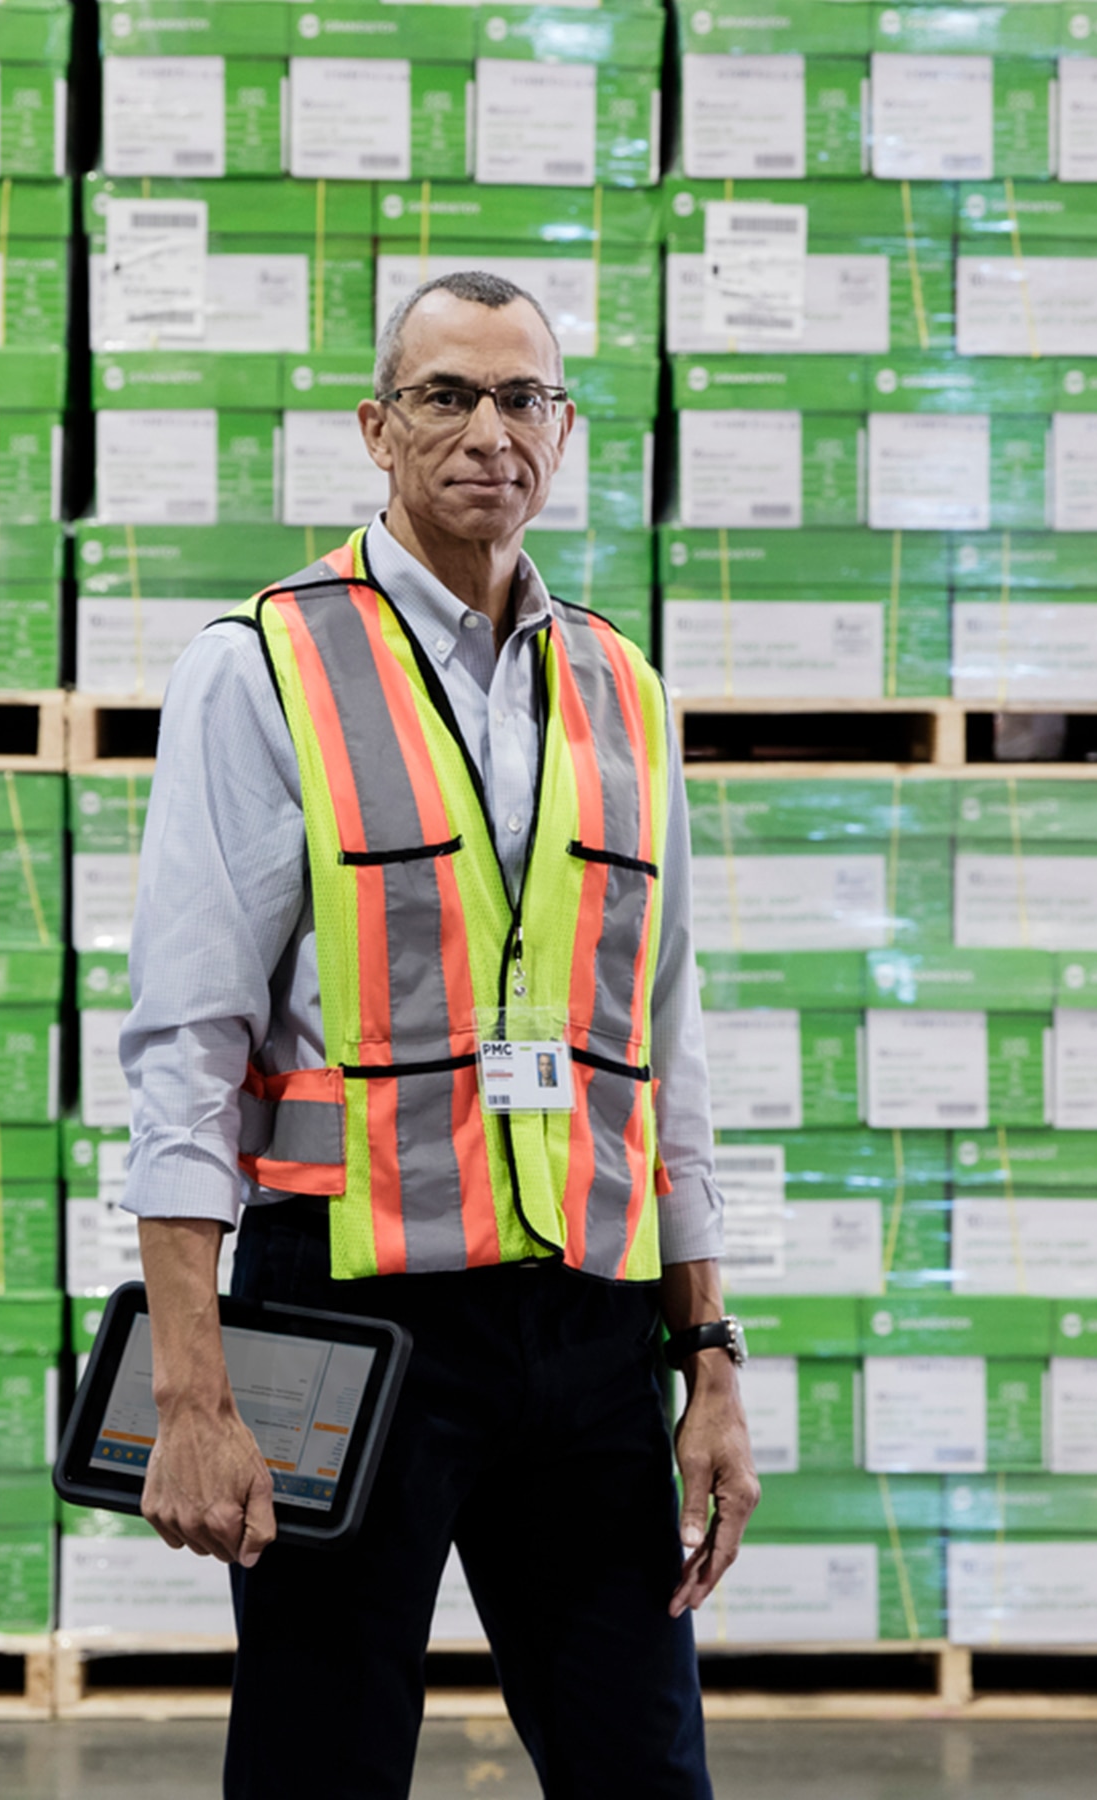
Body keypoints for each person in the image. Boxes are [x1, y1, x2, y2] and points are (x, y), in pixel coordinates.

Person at [118, 268, 756, 1799]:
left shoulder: (622, 685)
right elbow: (186, 1050)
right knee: (322, 1767)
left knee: (644, 1772)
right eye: (445, 396)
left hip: (586, 1324)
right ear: (377, 427)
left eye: (522, 396)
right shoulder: (265, 666)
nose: (488, 431)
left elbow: (661, 1048)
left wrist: (709, 1354)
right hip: (350, 1310)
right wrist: (192, 1397)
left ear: (565, 426)